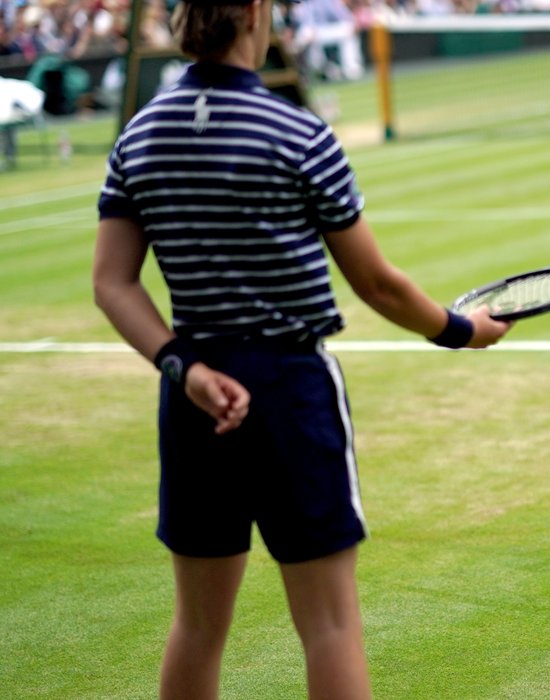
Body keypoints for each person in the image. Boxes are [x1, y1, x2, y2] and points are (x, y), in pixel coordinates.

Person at [90, 0, 513, 696]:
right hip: (291, 392)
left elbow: (111, 284)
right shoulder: (298, 132)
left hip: (194, 397)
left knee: (196, 628)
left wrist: (185, 370)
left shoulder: (139, 133)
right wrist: (461, 329)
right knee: (329, 626)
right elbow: (375, 283)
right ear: (256, 14)